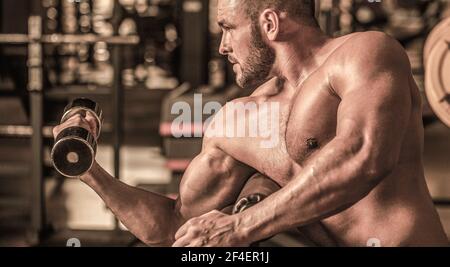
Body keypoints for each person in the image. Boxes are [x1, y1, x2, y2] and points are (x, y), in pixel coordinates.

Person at [53, 0, 448, 247]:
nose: (223, 46)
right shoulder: (236, 122)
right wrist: (89, 170)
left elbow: (364, 157)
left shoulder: (364, 54)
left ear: (270, 24)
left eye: (228, 28)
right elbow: (174, 227)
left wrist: (239, 228)